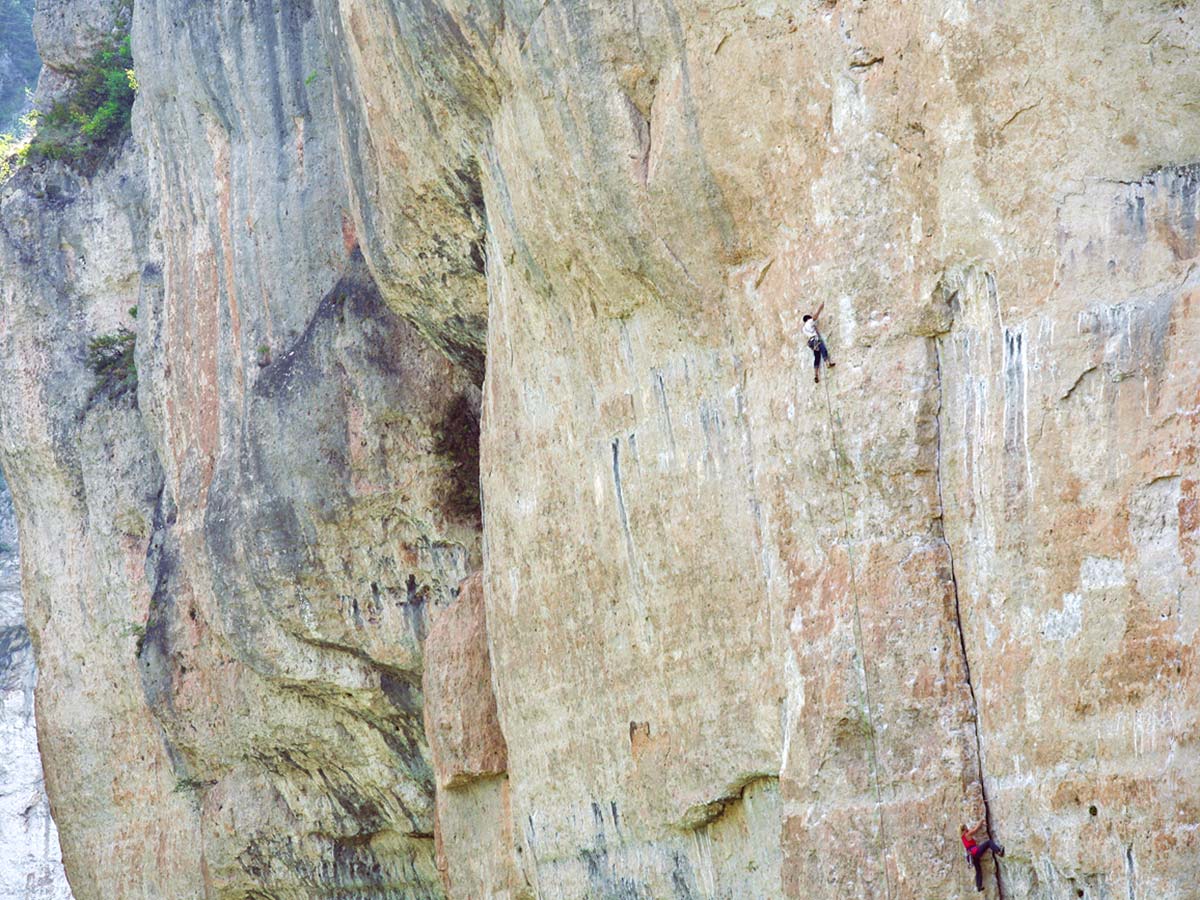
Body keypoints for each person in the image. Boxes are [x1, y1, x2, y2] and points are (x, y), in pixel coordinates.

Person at [961, 818, 1005, 892]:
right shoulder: (967, 834)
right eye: (966, 827)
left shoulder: (962, 837)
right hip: (975, 852)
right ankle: (999, 852)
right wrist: (981, 821)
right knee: (989, 842)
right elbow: (976, 829)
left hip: (971, 856)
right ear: (964, 829)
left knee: (978, 870)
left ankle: (979, 886)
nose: (967, 828)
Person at [802, 303, 835, 383]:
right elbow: (815, 317)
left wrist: (815, 329)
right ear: (808, 319)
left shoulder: (803, 328)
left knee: (817, 357)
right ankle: (827, 363)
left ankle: (816, 375)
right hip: (815, 339)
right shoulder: (809, 322)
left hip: (811, 342)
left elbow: (812, 330)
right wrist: (820, 308)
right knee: (823, 349)